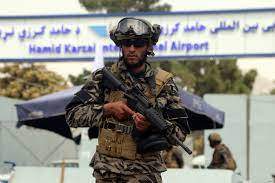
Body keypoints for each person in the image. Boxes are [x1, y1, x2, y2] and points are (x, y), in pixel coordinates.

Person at [65, 17, 190, 183]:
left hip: (144, 174)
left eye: (138, 44)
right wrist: (107, 109)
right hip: (107, 172)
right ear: (120, 45)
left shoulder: (163, 83)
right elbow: (72, 115)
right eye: (126, 44)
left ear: (148, 47)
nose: (131, 49)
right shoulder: (103, 78)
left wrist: (152, 126)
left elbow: (180, 134)